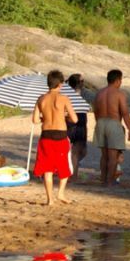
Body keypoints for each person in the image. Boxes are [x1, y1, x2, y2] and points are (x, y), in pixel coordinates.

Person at [32, 70, 78, 206]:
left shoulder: (41, 99)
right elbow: (75, 119)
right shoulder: (64, 99)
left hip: (46, 135)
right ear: (60, 84)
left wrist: (45, 118)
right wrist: (64, 116)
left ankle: (50, 200)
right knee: (64, 165)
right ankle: (61, 193)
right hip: (61, 135)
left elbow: (35, 120)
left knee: (48, 169)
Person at [93, 69, 130, 187]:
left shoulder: (99, 93)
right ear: (117, 80)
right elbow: (125, 112)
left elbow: (96, 111)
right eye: (121, 80)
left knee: (104, 155)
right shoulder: (119, 94)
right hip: (113, 123)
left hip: (100, 122)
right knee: (113, 156)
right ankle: (110, 181)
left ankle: (103, 179)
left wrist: (99, 123)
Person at [65, 73, 90, 177]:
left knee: (83, 151)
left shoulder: (81, 94)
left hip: (81, 123)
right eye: (82, 81)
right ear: (78, 83)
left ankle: (71, 166)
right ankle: (73, 174)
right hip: (74, 124)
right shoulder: (70, 95)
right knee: (76, 150)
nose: (83, 83)